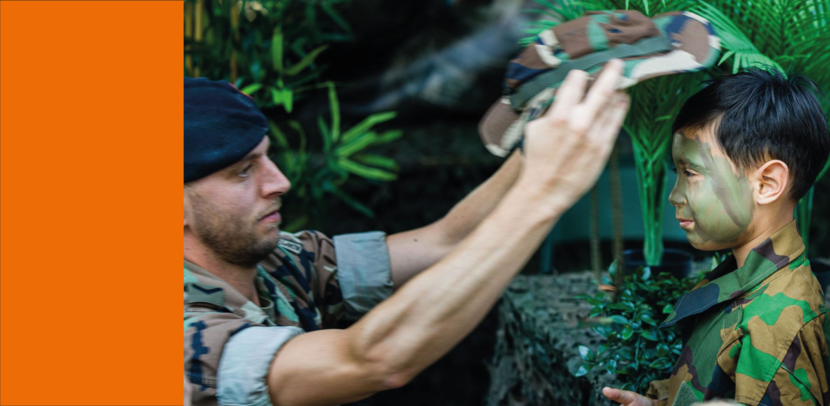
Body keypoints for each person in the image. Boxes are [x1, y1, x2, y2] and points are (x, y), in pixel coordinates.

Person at [183, 60, 630, 406]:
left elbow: (444, 242)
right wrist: (545, 192)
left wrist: (551, 132)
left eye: (267, 158)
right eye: (243, 172)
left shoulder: (277, 259)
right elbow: (370, 360)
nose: (279, 181)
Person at [603, 69, 830, 406]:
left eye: (691, 173)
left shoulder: (776, 324)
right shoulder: (745, 281)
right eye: (677, 173)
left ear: (766, 184)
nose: (675, 196)